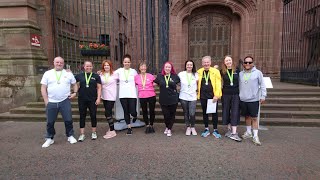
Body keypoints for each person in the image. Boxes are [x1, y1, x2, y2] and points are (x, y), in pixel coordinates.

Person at [40, 56, 78, 148]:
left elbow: (75, 84)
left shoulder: (68, 73)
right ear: (54, 63)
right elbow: (43, 87)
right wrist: (46, 101)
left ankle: (70, 135)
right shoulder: (47, 73)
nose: (59, 64)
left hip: (65, 100)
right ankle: (49, 138)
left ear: (63, 64)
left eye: (61, 62)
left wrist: (75, 93)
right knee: (50, 122)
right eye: (57, 62)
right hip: (51, 101)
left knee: (68, 120)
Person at [239, 56, 267, 146]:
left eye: (250, 62)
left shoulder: (258, 73)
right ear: (243, 63)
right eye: (246, 62)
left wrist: (263, 96)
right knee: (247, 117)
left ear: (253, 63)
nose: (247, 64)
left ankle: (255, 136)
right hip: (243, 99)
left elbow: (262, 85)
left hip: (253, 99)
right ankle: (248, 132)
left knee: (254, 118)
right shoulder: (240, 74)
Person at [76, 61, 102, 141]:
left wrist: (98, 98)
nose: (88, 67)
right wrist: (74, 92)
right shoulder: (79, 76)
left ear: (92, 67)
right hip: (82, 99)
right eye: (87, 66)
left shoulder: (96, 76)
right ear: (84, 67)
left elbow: (99, 88)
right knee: (82, 116)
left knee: (93, 115)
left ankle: (94, 132)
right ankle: (82, 134)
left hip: (92, 99)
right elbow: (75, 86)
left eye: (90, 66)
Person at [197, 56, 222, 138]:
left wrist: (217, 95)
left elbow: (218, 84)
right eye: (204, 62)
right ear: (202, 63)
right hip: (203, 96)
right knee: (205, 113)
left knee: (214, 113)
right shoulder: (199, 72)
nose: (206, 64)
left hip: (213, 96)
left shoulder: (215, 71)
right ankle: (206, 128)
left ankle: (215, 129)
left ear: (210, 63)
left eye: (207, 62)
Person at [154, 61, 180, 137]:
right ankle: (167, 126)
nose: (167, 68)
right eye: (166, 67)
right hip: (163, 99)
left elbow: (179, 84)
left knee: (172, 114)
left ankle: (169, 129)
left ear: (171, 68)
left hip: (173, 99)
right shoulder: (160, 76)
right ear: (164, 68)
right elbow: (154, 83)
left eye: (169, 67)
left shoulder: (175, 76)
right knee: (166, 115)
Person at [115, 54, 138, 135]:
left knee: (133, 111)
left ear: (130, 63)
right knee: (126, 111)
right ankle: (129, 127)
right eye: (125, 62)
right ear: (123, 62)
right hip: (123, 95)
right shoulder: (119, 71)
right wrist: (101, 72)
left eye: (128, 62)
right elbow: (110, 74)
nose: (127, 63)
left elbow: (138, 80)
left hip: (132, 94)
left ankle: (135, 116)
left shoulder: (134, 71)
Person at [220, 55, 242, 142]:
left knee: (235, 111)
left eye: (229, 60)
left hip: (235, 94)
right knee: (226, 111)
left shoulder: (237, 70)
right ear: (224, 62)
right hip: (225, 94)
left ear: (232, 61)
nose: (228, 62)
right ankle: (229, 130)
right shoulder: (222, 71)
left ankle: (234, 133)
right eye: (226, 61)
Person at [134, 61, 156, 134]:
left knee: (152, 111)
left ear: (146, 68)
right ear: (139, 68)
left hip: (151, 95)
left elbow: (155, 83)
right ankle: (147, 125)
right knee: (144, 111)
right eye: (141, 66)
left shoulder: (151, 76)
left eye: (144, 66)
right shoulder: (136, 77)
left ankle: (151, 125)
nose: (143, 68)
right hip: (142, 96)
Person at [178, 60, 198, 136]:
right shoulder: (181, 74)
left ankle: (193, 127)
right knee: (186, 113)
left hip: (193, 97)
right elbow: (176, 82)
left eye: (191, 65)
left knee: (192, 113)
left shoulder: (196, 74)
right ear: (185, 66)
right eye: (188, 65)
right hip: (183, 96)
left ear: (193, 66)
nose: (189, 66)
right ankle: (188, 127)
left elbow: (198, 84)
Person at [100, 60, 118, 139]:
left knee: (107, 113)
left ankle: (112, 130)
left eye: (108, 65)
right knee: (108, 113)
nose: (106, 66)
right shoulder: (101, 74)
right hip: (104, 96)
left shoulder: (115, 74)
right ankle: (111, 128)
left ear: (110, 66)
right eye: (105, 65)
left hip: (111, 96)